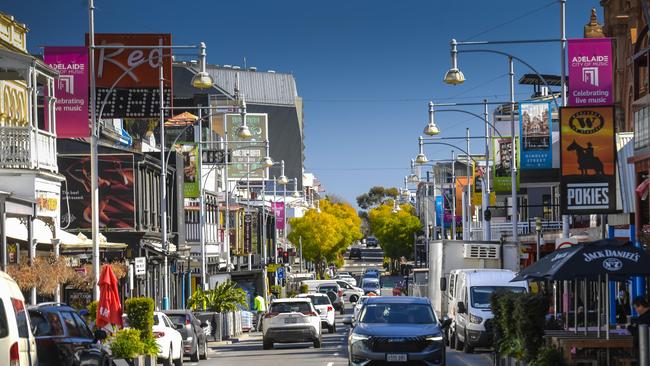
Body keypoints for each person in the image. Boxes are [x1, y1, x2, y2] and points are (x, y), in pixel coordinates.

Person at [628, 297, 650, 361]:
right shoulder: (643, 316)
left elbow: (637, 332)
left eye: (636, 308)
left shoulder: (645, 318)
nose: (636, 310)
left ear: (640, 306)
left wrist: (629, 328)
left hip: (644, 349)